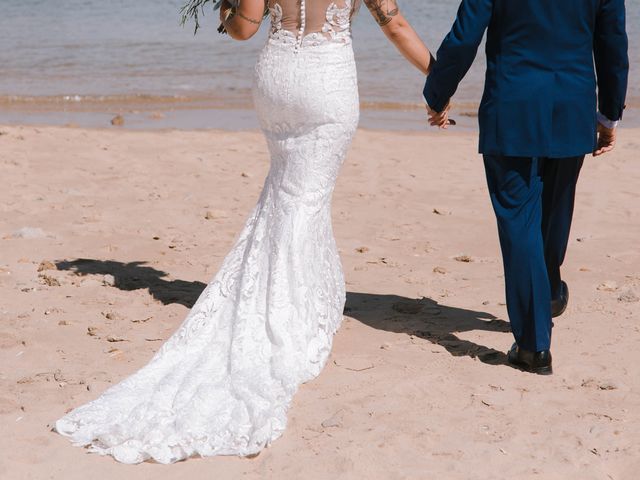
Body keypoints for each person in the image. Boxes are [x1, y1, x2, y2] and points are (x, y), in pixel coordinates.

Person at [55, 0, 433, 464]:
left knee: (287, 193)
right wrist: (440, 81)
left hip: (276, 83)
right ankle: (287, 312)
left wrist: (223, 8)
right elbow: (394, 25)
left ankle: (290, 294)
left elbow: (242, 29)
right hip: (327, 83)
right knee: (304, 200)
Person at [424, 0, 628, 374]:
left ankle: (535, 344)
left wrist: (437, 93)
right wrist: (609, 113)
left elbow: (464, 36)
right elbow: (613, 44)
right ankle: (546, 294)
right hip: (572, 106)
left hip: (512, 106)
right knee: (554, 208)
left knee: (521, 218)